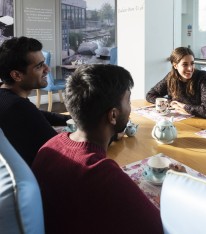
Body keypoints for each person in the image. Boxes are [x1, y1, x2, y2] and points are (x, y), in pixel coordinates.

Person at [32, 64, 163, 234]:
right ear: (113, 115)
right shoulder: (100, 172)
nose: (130, 108)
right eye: (128, 101)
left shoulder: (52, 145)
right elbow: (156, 227)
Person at [0, 36, 70, 166]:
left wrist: (71, 119)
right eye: (39, 66)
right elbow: (64, 151)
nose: (47, 69)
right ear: (16, 75)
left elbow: (38, 114)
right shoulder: (18, 106)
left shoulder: (6, 97)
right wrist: (109, 133)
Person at [146, 47, 206, 119]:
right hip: (181, 122)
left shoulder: (202, 76)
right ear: (175, 65)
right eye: (185, 64)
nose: (190, 68)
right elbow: (150, 95)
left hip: (203, 123)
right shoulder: (171, 77)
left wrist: (184, 106)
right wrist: (170, 103)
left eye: (192, 63)